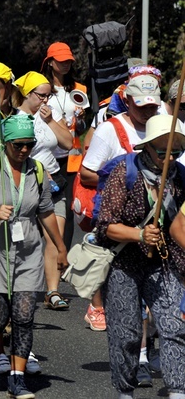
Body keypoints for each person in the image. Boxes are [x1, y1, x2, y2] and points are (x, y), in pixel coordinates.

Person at [0, 115, 69, 399]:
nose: (24, 150)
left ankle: (17, 378)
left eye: (29, 144)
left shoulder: (37, 171)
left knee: (24, 316)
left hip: (27, 251)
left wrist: (60, 247)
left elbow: (46, 211)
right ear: (6, 143)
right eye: (18, 145)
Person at [99, 115, 185, 399]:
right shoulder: (126, 171)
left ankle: (177, 390)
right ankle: (125, 391)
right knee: (127, 334)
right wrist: (138, 235)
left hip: (164, 262)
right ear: (147, 149)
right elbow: (106, 224)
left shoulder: (180, 176)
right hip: (125, 262)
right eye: (162, 153)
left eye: (175, 152)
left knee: (175, 325)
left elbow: (178, 223)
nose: (169, 158)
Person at [79, 74, 160, 332]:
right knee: (127, 308)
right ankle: (101, 309)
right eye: (141, 105)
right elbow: (87, 172)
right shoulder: (109, 129)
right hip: (119, 226)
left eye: (153, 106)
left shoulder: (163, 126)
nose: (148, 111)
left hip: (157, 223)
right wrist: (121, 176)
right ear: (127, 100)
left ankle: (147, 351)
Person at [14, 71, 73, 312]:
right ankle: (19, 286)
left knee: (55, 237)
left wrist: (49, 120)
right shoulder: (15, 117)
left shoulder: (49, 114)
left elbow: (68, 143)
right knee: (24, 239)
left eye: (49, 96)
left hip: (54, 183)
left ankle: (52, 291)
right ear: (28, 94)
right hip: (28, 182)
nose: (45, 101)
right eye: (41, 96)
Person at [41, 42, 88, 251]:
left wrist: (80, 121)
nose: (66, 64)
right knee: (42, 207)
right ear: (50, 62)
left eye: (69, 60)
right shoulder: (41, 89)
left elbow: (83, 127)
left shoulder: (80, 89)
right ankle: (43, 255)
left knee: (68, 209)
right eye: (61, 61)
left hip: (71, 157)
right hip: (44, 155)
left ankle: (64, 256)